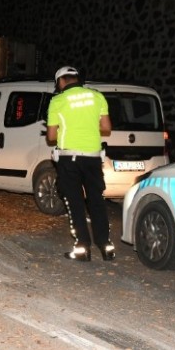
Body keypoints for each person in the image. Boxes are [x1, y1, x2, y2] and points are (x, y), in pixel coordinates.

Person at [46, 66, 114, 262]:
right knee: (97, 201)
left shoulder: (57, 101)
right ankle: (106, 246)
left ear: (60, 82)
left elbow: (51, 137)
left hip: (70, 158)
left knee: (75, 202)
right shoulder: (96, 96)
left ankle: (83, 248)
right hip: (93, 157)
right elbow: (107, 127)